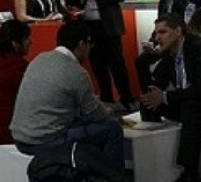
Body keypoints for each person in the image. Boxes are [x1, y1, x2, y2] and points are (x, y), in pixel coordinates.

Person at [10, 20, 124, 170]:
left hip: (20, 137)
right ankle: (113, 179)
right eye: (89, 44)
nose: (89, 50)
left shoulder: (39, 59)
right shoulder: (77, 73)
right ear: (81, 44)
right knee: (112, 129)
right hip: (45, 141)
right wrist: (109, 111)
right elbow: (95, 114)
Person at [140, 13, 201, 182]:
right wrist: (143, 62)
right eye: (156, 33)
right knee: (149, 102)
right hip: (186, 102)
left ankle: (190, 173)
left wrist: (165, 97)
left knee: (190, 107)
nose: (157, 38)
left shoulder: (197, 47)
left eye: (162, 32)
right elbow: (154, 88)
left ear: (178, 31)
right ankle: (152, 158)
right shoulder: (169, 55)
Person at [70, 0, 135, 112]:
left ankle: (126, 99)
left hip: (109, 24)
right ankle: (106, 98)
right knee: (97, 65)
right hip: (89, 24)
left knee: (117, 63)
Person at [0, 19, 32, 145]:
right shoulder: (18, 67)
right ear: (15, 43)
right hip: (10, 133)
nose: (30, 42)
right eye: (26, 39)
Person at [134, 0, 186, 95]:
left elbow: (181, 25)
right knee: (140, 61)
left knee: (162, 69)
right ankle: (148, 94)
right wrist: (152, 43)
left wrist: (161, 45)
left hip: (176, 42)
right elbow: (159, 25)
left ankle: (155, 95)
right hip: (162, 43)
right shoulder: (163, 1)